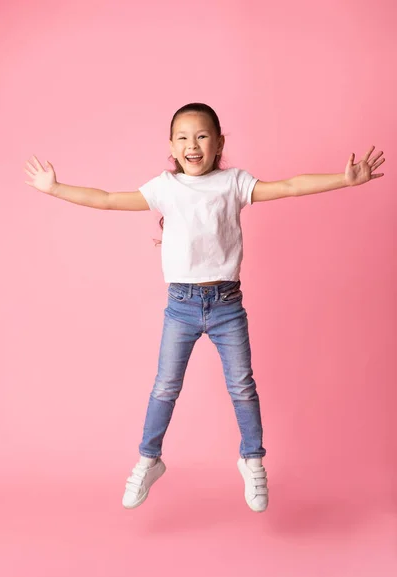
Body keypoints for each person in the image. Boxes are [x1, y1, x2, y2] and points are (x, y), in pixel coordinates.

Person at [24, 103, 385, 513]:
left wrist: (344, 179)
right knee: (164, 387)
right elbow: (107, 199)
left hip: (227, 305)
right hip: (181, 306)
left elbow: (288, 186)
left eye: (201, 136)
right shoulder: (164, 187)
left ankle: (252, 460)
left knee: (242, 387)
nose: (192, 144)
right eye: (182, 137)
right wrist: (55, 188)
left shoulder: (234, 183)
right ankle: (148, 460)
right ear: (171, 147)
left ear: (218, 143)